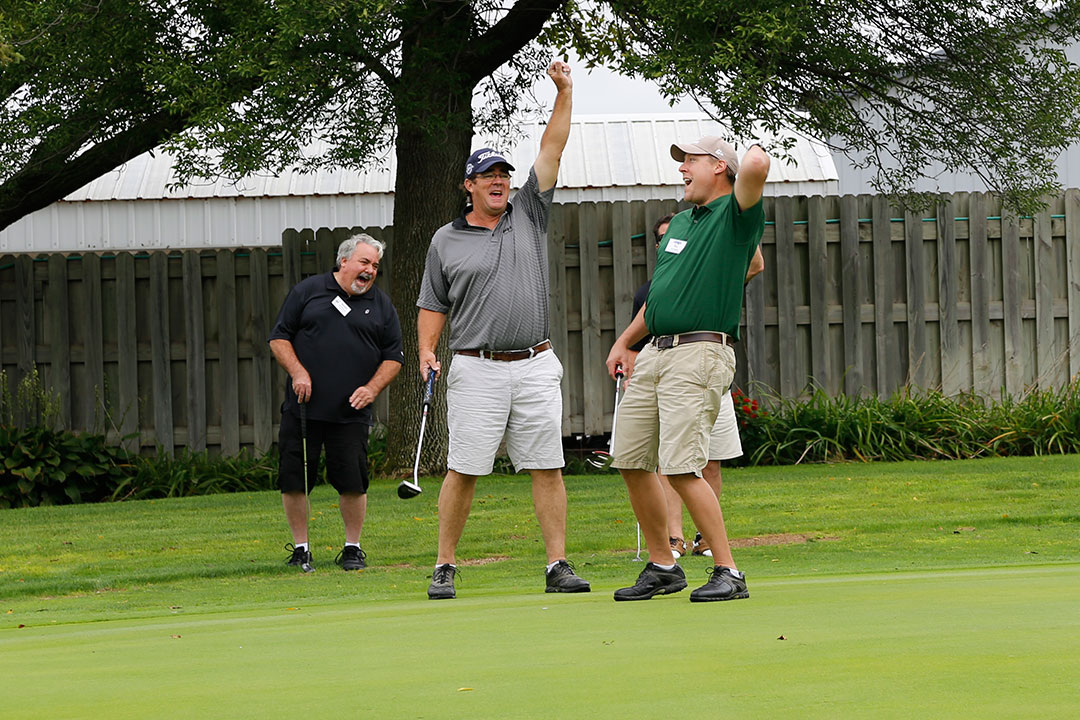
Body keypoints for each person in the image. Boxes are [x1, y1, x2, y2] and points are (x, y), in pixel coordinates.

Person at [416, 60, 590, 599]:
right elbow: (432, 303)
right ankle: (445, 565)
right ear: (468, 185)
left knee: (547, 466)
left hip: (535, 362)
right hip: (476, 367)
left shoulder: (528, 212)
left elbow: (552, 148)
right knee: (464, 469)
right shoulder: (445, 240)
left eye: (503, 174)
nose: (499, 181)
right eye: (488, 175)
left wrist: (564, 92)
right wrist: (425, 350)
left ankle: (557, 564)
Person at [606, 136, 769, 602]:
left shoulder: (735, 214)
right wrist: (625, 341)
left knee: (680, 467)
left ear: (718, 167)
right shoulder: (679, 223)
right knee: (630, 459)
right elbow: (661, 294)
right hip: (655, 351)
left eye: (691, 161)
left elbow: (756, 165)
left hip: (699, 352)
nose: (682, 169)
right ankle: (663, 565)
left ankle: (728, 570)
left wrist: (750, 148)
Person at [631, 214, 764, 562]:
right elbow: (642, 333)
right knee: (666, 462)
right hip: (667, 373)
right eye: (662, 238)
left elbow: (754, 263)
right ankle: (672, 542)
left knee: (705, 463)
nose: (670, 242)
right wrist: (624, 348)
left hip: (707, 373)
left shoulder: (716, 272)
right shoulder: (652, 290)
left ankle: (714, 550)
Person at [269, 234, 404, 572]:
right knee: (295, 479)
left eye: (375, 265)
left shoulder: (381, 305)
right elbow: (279, 338)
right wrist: (298, 372)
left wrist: (372, 389)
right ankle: (301, 548)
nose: (370, 270)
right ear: (344, 261)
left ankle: (352, 548)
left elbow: (393, 357)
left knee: (353, 481)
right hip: (304, 408)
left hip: (351, 412)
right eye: (364, 262)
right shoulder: (308, 292)